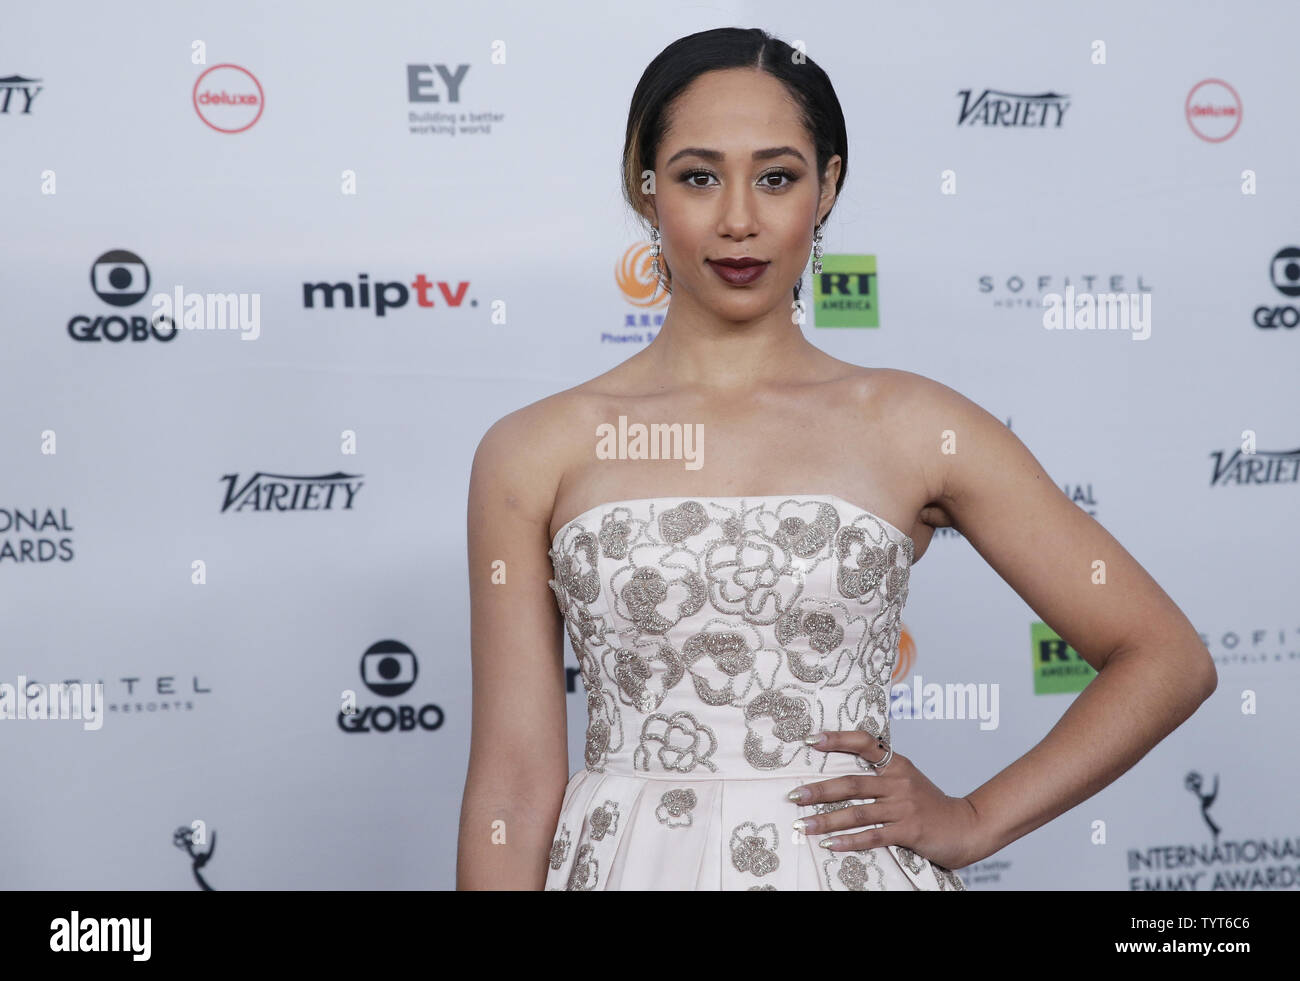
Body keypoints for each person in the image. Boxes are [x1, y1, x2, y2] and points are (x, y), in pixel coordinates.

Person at [456, 26, 1217, 890]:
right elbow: (514, 787)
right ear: (645, 188)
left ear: (828, 188)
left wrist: (973, 819)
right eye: (698, 176)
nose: (739, 218)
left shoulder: (914, 423)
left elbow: (1166, 656)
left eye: (777, 176)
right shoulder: (533, 449)